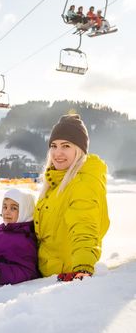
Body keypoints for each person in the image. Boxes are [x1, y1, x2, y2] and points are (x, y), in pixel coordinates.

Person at [35, 114, 110, 282]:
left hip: (63, 279)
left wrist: (82, 268)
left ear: (79, 149)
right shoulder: (56, 182)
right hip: (46, 275)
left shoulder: (82, 182)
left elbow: (84, 226)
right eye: (53, 146)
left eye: (66, 146)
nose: (57, 153)